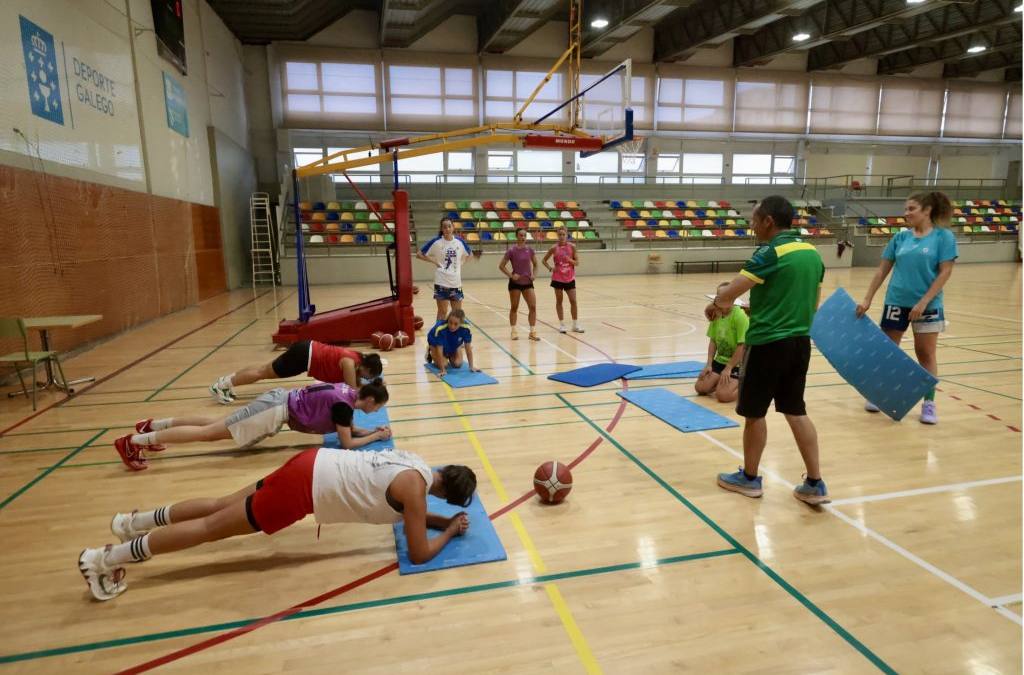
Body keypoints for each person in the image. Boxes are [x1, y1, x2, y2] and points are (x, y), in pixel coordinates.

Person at [77, 448, 477, 600]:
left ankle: (132, 523)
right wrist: (448, 531)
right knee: (211, 527)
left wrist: (441, 519)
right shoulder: (415, 493)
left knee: (220, 504)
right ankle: (104, 558)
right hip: (304, 490)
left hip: (311, 461)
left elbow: (414, 512)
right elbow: (420, 554)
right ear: (445, 494)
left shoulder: (419, 468)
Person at [706, 196, 829, 506]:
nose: (751, 224)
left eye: (754, 218)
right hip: (800, 342)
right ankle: (815, 483)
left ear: (768, 222)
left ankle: (749, 478)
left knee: (754, 413)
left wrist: (718, 303)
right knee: (795, 410)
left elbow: (731, 291)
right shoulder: (813, 253)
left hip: (767, 344)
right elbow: (809, 301)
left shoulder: (769, 252)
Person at [115, 380, 393, 471]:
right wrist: (375, 439)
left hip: (276, 401)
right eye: (377, 407)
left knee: (213, 424)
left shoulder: (347, 391)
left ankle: (152, 426)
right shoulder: (344, 407)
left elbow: (351, 429)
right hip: (273, 410)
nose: (376, 411)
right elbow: (347, 443)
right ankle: (133, 442)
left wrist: (374, 433)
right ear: (368, 399)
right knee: (209, 434)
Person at [856, 192, 957, 425]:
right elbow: (882, 270)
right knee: (889, 352)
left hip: (928, 305)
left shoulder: (944, 238)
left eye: (911, 208)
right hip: (896, 302)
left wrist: (923, 303)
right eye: (905, 209)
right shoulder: (900, 238)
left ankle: (929, 404)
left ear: (927, 210)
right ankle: (880, 394)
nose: (906, 213)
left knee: (926, 354)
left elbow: (945, 272)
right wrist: (868, 298)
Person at [208, 341, 384, 404]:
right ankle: (222, 385)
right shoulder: (349, 362)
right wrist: (373, 389)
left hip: (305, 350)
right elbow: (352, 390)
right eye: (370, 376)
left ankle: (226, 381)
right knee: (263, 373)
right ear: (367, 369)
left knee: (263, 369)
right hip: (303, 357)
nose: (366, 379)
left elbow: (356, 382)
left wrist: (371, 384)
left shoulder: (356, 359)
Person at [696, 282, 749, 403]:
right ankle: (722, 381)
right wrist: (709, 364)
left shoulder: (740, 316)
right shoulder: (717, 314)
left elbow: (742, 346)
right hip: (720, 360)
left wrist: (729, 368)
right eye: (718, 296)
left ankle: (747, 384)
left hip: (738, 364)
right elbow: (713, 341)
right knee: (700, 388)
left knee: (723, 396)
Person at [417, 218, 472, 321]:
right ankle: (439, 336)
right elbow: (419, 254)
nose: (447, 229)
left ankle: (455, 337)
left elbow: (470, 254)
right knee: (442, 313)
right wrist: (434, 261)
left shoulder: (459, 242)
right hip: (441, 282)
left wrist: (462, 263)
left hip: (456, 283)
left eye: (449, 226)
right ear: (442, 229)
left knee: (457, 315)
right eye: (444, 227)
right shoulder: (436, 242)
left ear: (453, 227)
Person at [498, 227, 540, 341]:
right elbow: (501, 266)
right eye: (521, 235)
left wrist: (534, 275)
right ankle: (514, 331)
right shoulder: (511, 251)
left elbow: (536, 264)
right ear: (516, 236)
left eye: (524, 236)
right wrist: (511, 276)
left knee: (533, 307)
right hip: (515, 283)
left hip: (528, 283)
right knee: (514, 307)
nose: (523, 237)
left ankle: (532, 332)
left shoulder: (530, 250)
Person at [542, 226, 583, 333]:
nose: (561, 236)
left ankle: (575, 325)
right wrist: (551, 268)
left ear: (566, 235)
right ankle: (562, 324)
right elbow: (544, 260)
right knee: (559, 301)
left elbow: (577, 263)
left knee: (573, 301)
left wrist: (569, 260)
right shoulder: (553, 248)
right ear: (557, 235)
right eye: (559, 234)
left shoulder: (572, 247)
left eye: (563, 234)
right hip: (557, 278)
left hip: (570, 278)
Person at [426, 309, 478, 377]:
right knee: (444, 364)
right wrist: (442, 370)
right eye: (450, 322)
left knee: (457, 364)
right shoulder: (441, 328)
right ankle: (430, 349)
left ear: (461, 323)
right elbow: (439, 350)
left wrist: (471, 366)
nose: (452, 326)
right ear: (448, 320)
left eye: (456, 324)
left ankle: (454, 350)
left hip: (452, 342)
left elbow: (468, 348)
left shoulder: (466, 328)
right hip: (436, 344)